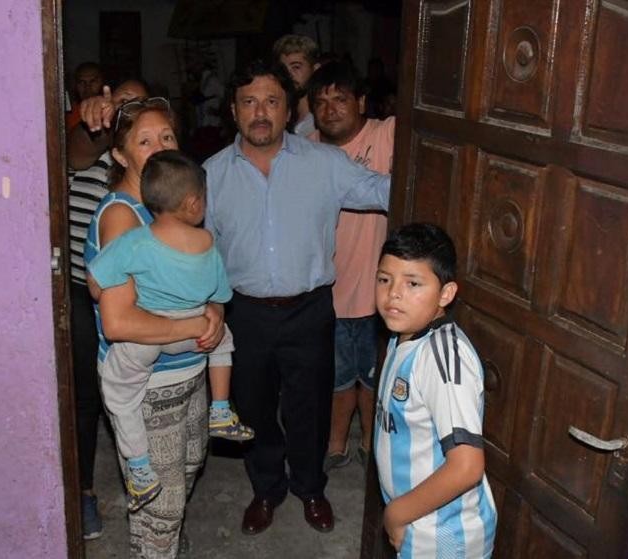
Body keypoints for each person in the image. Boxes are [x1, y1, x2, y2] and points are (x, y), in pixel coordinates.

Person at [202, 59, 391, 536]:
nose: (260, 112)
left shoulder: (324, 163)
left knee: (310, 407)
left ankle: (310, 487)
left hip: (309, 310)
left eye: (271, 101)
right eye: (249, 102)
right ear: (233, 110)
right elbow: (202, 249)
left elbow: (383, 191)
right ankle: (267, 489)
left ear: (289, 110)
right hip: (244, 313)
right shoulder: (212, 175)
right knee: (253, 408)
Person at [84, 97, 225, 558]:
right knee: (162, 503)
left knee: (185, 470)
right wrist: (196, 322)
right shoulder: (123, 216)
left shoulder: (170, 208)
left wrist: (215, 311)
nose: (160, 146)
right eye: (145, 141)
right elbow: (118, 321)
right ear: (120, 155)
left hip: (188, 369)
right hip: (147, 383)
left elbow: (202, 280)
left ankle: (156, 542)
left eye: (167, 136)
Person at [87, 150, 253, 512]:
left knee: (120, 394)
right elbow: (220, 295)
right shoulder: (207, 243)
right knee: (223, 340)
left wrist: (100, 286)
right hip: (196, 334)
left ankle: (139, 467)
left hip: (150, 336)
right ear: (193, 203)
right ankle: (221, 408)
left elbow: (97, 281)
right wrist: (210, 314)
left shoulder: (136, 241)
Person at [373, 223, 497, 557]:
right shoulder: (403, 335)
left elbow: (466, 466)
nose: (394, 294)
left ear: (445, 294)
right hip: (418, 521)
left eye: (413, 283)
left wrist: (396, 514)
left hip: (445, 536)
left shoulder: (441, 358)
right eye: (384, 279)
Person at [66, 78, 151, 540]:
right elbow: (76, 151)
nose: (126, 110)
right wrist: (91, 119)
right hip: (83, 293)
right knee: (85, 398)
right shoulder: (93, 147)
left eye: (138, 104)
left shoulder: (152, 163)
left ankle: (156, 498)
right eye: (119, 101)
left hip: (139, 298)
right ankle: (83, 491)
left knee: (138, 394)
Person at [308, 61, 396, 471]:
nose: (330, 110)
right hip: (327, 293)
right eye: (321, 102)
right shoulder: (305, 148)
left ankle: (371, 442)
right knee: (338, 377)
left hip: (382, 293)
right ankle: (336, 442)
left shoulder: (385, 134)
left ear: (361, 102)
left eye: (340, 99)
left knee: (376, 378)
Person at [67, 78, 151, 171]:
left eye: (141, 105)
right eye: (124, 101)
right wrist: (99, 120)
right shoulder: (102, 141)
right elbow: (77, 155)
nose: (133, 110)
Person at [272, 34, 320, 137]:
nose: (289, 74)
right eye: (283, 68)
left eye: (296, 67)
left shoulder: (324, 118)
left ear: (315, 69)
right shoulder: (278, 116)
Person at [66, 62, 104, 132]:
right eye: (82, 82)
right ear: (75, 85)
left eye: (93, 81)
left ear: (102, 82)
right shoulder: (68, 114)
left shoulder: (108, 111)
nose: (87, 87)